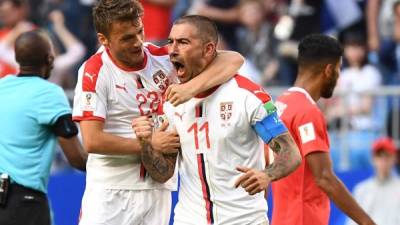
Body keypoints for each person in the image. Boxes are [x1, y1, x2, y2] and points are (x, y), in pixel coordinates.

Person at [72, 1, 244, 225]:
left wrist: (188, 88)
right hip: (111, 191)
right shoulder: (94, 71)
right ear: (104, 39)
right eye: (126, 38)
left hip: (159, 189)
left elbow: (234, 59)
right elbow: (92, 141)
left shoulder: (161, 58)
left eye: (139, 31)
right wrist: (149, 143)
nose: (138, 42)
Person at [132, 15, 302, 225]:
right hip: (189, 220)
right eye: (170, 42)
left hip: (244, 220)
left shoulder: (246, 96)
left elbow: (290, 152)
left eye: (183, 42)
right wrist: (146, 144)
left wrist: (267, 175)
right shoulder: (170, 102)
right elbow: (163, 173)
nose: (172, 50)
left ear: (209, 49)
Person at [271, 34, 376, 225]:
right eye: (338, 69)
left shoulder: (279, 105)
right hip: (303, 219)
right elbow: (324, 178)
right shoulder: (307, 112)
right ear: (328, 70)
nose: (339, 76)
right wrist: (367, 222)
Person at [0, 30, 86, 225]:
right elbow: (76, 158)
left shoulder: (1, 87)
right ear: (49, 59)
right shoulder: (50, 94)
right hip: (25, 204)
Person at [346, 137, 400, 225]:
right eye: (379, 155)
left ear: (394, 158)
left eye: (387, 155)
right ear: (373, 159)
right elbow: (352, 222)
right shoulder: (361, 189)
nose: (383, 160)